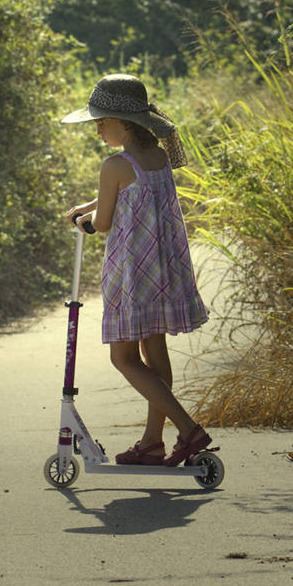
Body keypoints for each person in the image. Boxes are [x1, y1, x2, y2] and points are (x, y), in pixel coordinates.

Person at [62, 73, 212, 466]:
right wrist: (89, 206)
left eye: (101, 122)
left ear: (123, 122)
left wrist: (88, 220)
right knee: (155, 351)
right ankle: (151, 441)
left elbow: (107, 222)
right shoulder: (157, 157)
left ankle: (188, 429)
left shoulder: (113, 164)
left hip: (131, 274)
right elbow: (133, 192)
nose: (97, 129)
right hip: (161, 271)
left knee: (124, 359)